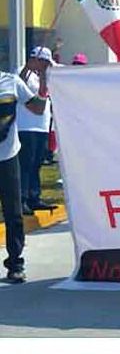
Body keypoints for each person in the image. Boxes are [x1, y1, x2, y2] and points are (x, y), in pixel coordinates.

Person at [0, 60, 49, 283]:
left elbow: (37, 109)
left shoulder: (11, 82)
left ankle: (15, 264)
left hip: (8, 157)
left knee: (14, 213)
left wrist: (45, 80)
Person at [17, 48, 55, 215]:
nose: (45, 66)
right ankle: (22, 199)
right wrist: (28, 68)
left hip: (42, 126)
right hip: (26, 126)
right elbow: (19, 83)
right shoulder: (21, 72)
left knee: (37, 163)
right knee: (25, 164)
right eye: (43, 62)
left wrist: (45, 77)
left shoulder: (48, 76)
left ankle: (34, 197)